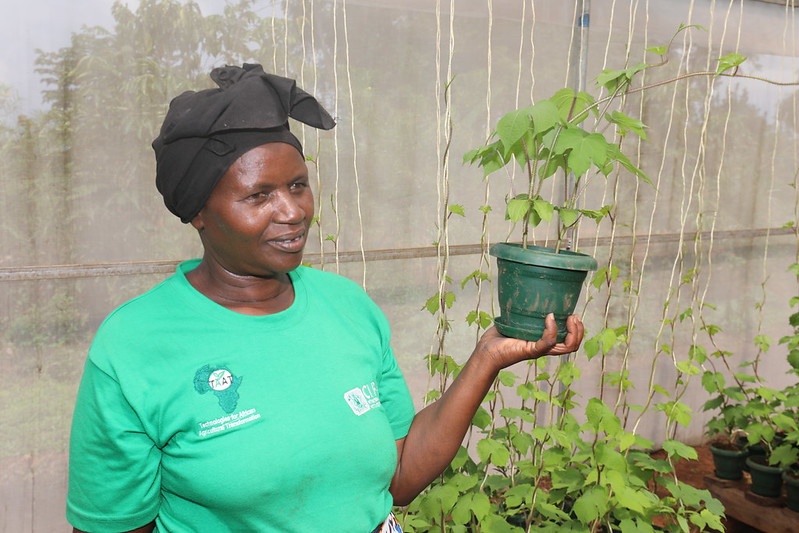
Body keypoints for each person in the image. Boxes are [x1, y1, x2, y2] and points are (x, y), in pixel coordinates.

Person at [66, 64, 584, 533]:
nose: (293, 211)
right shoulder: (135, 346)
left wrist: (487, 357)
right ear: (198, 210)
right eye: (258, 195)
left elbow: (400, 477)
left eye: (298, 185)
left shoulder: (347, 306)